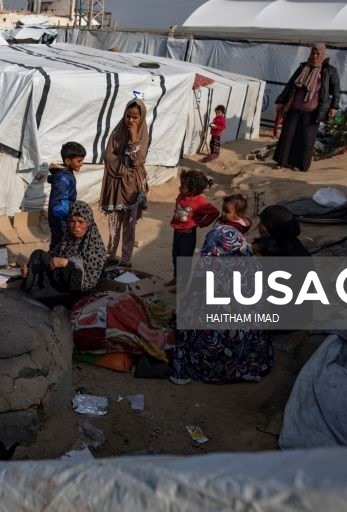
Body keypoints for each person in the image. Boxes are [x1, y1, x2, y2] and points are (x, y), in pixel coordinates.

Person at [171, 225, 274, 384]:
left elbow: (194, 309)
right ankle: (247, 367)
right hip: (253, 349)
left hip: (215, 351)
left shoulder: (211, 271)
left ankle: (214, 367)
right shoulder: (254, 267)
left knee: (187, 319)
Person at [21, 201, 107, 309]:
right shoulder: (67, 239)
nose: (75, 226)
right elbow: (51, 258)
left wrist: (66, 264)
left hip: (76, 292)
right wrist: (30, 271)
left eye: (80, 222)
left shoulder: (95, 247)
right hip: (60, 280)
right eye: (72, 221)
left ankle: (40, 289)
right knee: (38, 255)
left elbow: (87, 284)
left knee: (39, 293)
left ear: (88, 223)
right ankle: (34, 283)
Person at [273, 43, 341, 172]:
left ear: (322, 54)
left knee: (306, 139)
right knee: (288, 135)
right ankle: (282, 162)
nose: (314, 56)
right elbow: (290, 85)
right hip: (294, 109)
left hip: (312, 112)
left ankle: (300, 165)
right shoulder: (303, 67)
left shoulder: (329, 71)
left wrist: (334, 107)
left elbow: (336, 91)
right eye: (313, 53)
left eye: (317, 54)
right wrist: (281, 101)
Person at [100, 99, 149, 267]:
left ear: (141, 118)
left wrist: (134, 138)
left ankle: (126, 259)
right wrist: (125, 166)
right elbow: (109, 157)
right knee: (114, 222)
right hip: (116, 185)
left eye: (135, 117)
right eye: (128, 116)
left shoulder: (142, 136)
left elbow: (137, 160)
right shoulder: (117, 132)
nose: (131, 121)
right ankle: (111, 255)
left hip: (133, 188)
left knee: (130, 224)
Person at [166, 170, 219, 291]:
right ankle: (176, 278)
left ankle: (183, 284)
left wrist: (200, 223)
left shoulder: (200, 202)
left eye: (183, 187)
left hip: (188, 234)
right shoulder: (181, 195)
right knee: (176, 256)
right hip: (177, 231)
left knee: (185, 260)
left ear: (193, 190)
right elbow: (178, 205)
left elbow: (214, 213)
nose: (180, 188)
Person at [48, 141, 86, 248]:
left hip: (64, 216)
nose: (82, 164)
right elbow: (56, 203)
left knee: (60, 244)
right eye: (79, 161)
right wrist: (67, 218)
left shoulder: (66, 174)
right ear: (68, 161)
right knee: (61, 244)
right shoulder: (62, 178)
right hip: (60, 219)